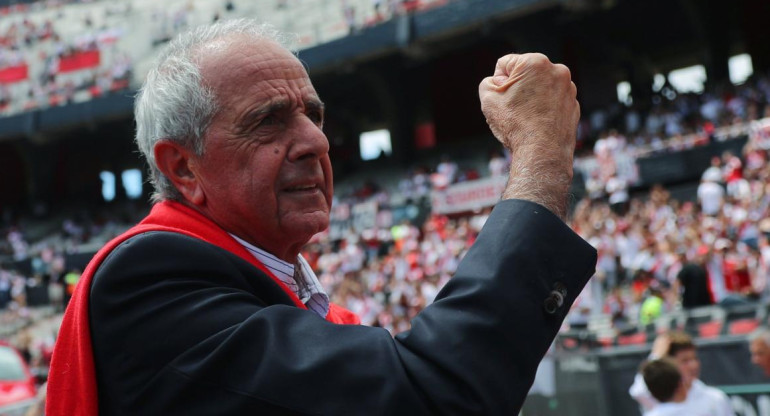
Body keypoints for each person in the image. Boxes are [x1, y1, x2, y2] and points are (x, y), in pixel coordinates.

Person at [46, 19, 596, 415]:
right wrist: (541, 157)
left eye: (313, 115)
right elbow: (430, 397)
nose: (314, 140)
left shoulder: (275, 290)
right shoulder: (150, 281)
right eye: (268, 120)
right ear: (184, 168)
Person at [629, 331, 734, 416]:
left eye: (695, 358)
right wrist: (657, 356)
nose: (693, 366)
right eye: (685, 361)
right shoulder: (657, 397)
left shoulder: (715, 398)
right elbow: (638, 391)